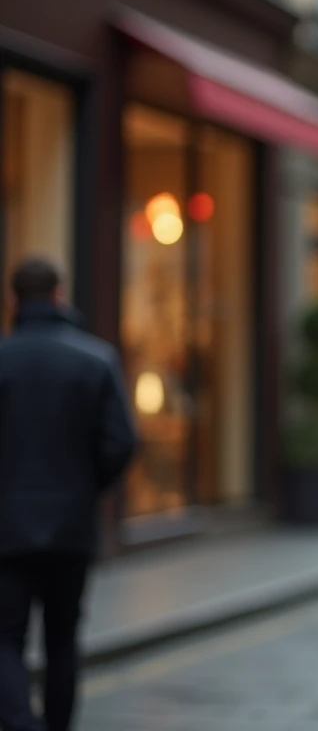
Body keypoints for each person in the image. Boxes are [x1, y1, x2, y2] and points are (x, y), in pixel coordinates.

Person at [0, 258, 136, 731]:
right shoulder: (96, 359)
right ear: (59, 296)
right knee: (62, 639)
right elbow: (121, 443)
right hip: (71, 526)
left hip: (7, 528)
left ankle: (20, 722)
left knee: (4, 638)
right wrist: (85, 486)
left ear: (14, 300)